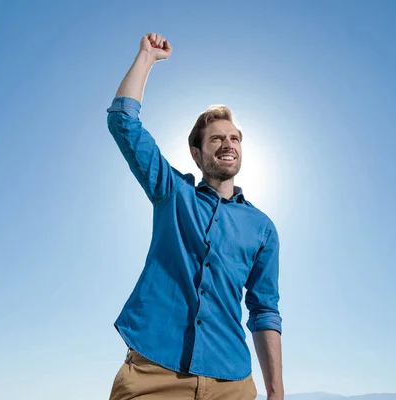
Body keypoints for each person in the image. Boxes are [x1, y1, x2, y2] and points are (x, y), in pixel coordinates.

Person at [106, 32, 284, 400]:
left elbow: (264, 310)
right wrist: (146, 58)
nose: (228, 144)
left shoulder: (262, 228)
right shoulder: (173, 193)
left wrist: (276, 392)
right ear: (197, 153)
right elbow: (123, 123)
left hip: (232, 382)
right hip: (155, 374)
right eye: (216, 139)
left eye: (234, 138)